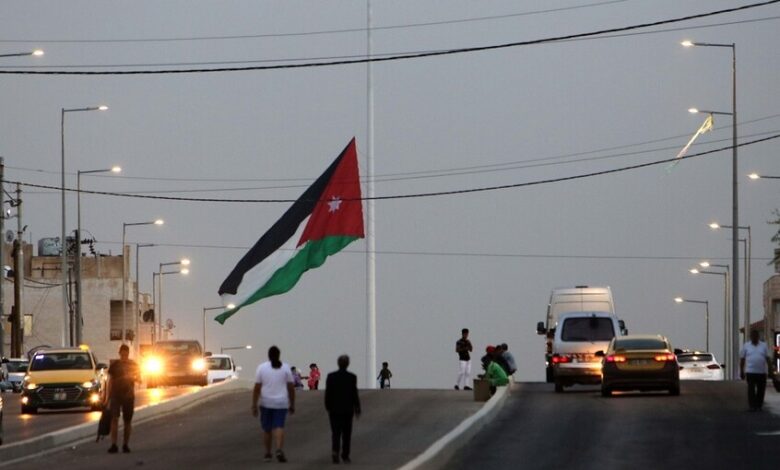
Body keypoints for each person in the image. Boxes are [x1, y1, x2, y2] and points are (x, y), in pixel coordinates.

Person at [252, 346, 295, 463]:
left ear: (268, 355)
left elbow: (257, 387)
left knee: (267, 429)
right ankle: (279, 449)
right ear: (279, 355)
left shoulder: (261, 368)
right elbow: (291, 388)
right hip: (281, 403)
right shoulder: (286, 368)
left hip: (266, 403)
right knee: (279, 427)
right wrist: (292, 403)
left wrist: (254, 404)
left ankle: (267, 453)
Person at [325, 355, 361, 464]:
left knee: (335, 432)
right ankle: (345, 455)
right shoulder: (352, 377)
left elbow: (328, 393)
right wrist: (357, 407)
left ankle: (335, 451)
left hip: (334, 410)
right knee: (346, 434)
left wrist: (328, 406)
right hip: (347, 410)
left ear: (338, 363)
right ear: (348, 364)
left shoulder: (331, 376)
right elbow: (354, 393)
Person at [105, 344, 140, 454]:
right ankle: (114, 444)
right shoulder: (115, 365)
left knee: (127, 421)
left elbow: (139, 379)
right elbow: (110, 381)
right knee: (114, 419)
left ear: (128, 354)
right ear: (119, 353)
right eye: (123, 354)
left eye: (126, 354)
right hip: (116, 395)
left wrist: (132, 377)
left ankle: (125, 444)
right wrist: (107, 397)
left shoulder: (133, 365)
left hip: (128, 396)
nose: (124, 356)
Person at [739, 329, 773, 411]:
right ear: (751, 337)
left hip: (761, 372)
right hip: (750, 372)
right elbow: (742, 359)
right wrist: (741, 371)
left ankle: (759, 405)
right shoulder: (746, 346)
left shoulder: (764, 346)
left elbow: (768, 358)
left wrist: (770, 370)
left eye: (756, 336)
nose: (754, 337)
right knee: (751, 390)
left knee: (761, 390)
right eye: (753, 336)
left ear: (758, 337)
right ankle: (752, 406)